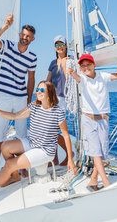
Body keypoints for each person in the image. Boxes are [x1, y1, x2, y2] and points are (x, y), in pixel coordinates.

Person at [0, 81, 77, 203]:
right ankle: (15, 176)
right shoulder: (34, 106)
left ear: (50, 93)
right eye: (37, 90)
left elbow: (66, 136)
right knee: (5, 147)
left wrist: (70, 160)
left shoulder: (58, 112)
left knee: (9, 164)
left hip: (44, 151)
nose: (38, 92)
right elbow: (15, 116)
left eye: (42, 90)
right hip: (32, 143)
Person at [0, 13, 37, 176]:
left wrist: (29, 99)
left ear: (32, 39)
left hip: (21, 97)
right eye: (23, 34)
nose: (25, 37)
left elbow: (31, 78)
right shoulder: (7, 45)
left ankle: (22, 167)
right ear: (19, 35)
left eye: (28, 36)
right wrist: (5, 27)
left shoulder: (32, 57)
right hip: (4, 96)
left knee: (22, 133)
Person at [67, 54, 117, 191]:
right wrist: (72, 72)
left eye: (88, 64)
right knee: (96, 153)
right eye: (83, 65)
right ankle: (106, 182)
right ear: (80, 68)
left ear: (94, 65)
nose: (86, 67)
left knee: (102, 153)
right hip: (88, 120)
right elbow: (77, 78)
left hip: (103, 120)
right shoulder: (83, 79)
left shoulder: (103, 76)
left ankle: (93, 180)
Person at [46, 35, 71, 165]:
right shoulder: (52, 63)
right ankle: (54, 158)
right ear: (54, 48)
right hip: (54, 99)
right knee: (52, 130)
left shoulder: (72, 60)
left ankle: (69, 156)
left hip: (68, 98)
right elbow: (48, 80)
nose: (59, 47)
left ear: (66, 46)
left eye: (62, 44)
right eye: (57, 45)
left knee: (62, 130)